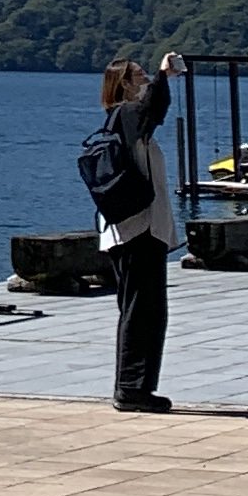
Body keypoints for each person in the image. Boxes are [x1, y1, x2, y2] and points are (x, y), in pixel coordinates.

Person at [97, 48, 180, 413]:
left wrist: (161, 80)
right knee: (141, 309)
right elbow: (154, 108)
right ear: (124, 85)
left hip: (138, 228)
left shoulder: (124, 120)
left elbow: (153, 109)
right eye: (139, 75)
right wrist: (162, 76)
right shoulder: (126, 114)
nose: (144, 79)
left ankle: (137, 387)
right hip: (137, 230)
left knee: (146, 309)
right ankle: (131, 388)